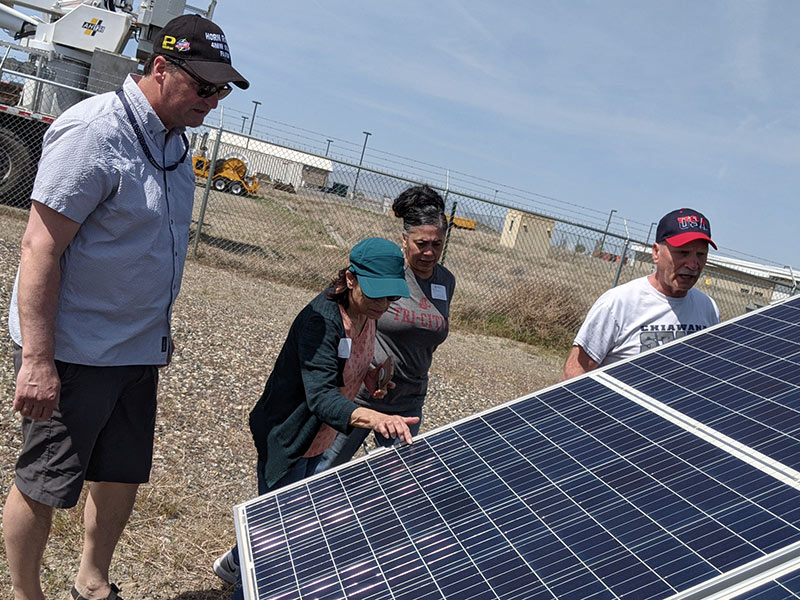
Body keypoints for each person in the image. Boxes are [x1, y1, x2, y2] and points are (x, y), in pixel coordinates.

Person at [3, 14, 248, 600]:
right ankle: (26, 593)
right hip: (77, 350)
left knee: (119, 473)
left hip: (135, 351)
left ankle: (92, 579)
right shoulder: (95, 132)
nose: (213, 102)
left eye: (221, 90)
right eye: (203, 87)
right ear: (160, 68)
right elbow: (40, 248)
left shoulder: (175, 141)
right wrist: (39, 360)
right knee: (45, 481)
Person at [213, 237, 419, 598]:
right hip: (290, 437)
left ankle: (237, 564)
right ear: (351, 278)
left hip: (319, 438)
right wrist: (373, 418)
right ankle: (245, 582)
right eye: (376, 294)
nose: (384, 305)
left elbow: (344, 365)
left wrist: (368, 376)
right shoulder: (320, 322)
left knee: (289, 529)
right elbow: (321, 395)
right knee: (275, 545)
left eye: (391, 297)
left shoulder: (366, 313)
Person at [314, 184, 456, 471]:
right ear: (404, 239)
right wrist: (356, 367)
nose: (429, 252)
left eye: (437, 244)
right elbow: (344, 318)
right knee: (325, 469)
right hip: (361, 395)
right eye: (421, 244)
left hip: (408, 401)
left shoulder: (446, 282)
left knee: (391, 482)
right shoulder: (386, 275)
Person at [563, 208, 721, 379]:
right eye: (682, 252)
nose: (693, 264)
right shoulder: (617, 303)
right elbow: (575, 371)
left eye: (700, 255)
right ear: (656, 253)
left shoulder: (708, 309)